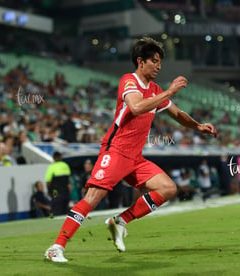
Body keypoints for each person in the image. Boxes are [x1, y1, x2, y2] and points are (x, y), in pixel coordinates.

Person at [44, 36, 217, 262]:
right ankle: (56, 247)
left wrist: (198, 126)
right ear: (140, 61)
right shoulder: (129, 81)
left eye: (160, 62)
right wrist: (169, 92)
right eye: (154, 60)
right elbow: (135, 107)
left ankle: (120, 221)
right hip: (115, 151)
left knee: (167, 188)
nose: (159, 66)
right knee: (94, 197)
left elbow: (178, 114)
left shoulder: (155, 89)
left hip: (135, 157)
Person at [45, 151, 72, 216]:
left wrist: (49, 191)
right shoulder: (65, 165)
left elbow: (48, 181)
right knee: (66, 210)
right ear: (61, 157)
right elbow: (69, 182)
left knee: (56, 210)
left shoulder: (52, 167)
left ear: (53, 158)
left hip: (55, 192)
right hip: (65, 192)